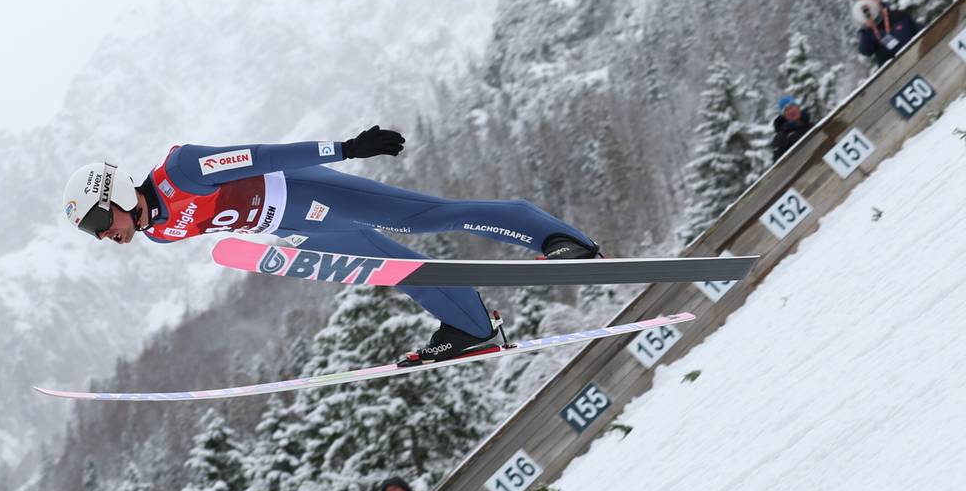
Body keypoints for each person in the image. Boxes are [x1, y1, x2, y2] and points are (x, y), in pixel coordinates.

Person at [61, 126, 600, 363]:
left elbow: (261, 156)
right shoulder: (156, 229)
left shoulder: (182, 169)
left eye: (100, 221)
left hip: (304, 190)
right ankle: (474, 328)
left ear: (118, 193)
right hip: (293, 226)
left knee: (423, 218)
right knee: (394, 266)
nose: (105, 235)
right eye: (93, 232)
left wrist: (344, 148)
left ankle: (556, 237)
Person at [852, 0, 922, 68]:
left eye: (868, 0)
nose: (867, 5)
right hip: (893, 71)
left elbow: (920, 32)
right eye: (863, 5)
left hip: (916, 59)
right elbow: (866, 51)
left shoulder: (899, 15)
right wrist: (867, 29)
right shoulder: (867, 31)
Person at [771, 95, 813, 161]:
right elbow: (779, 165)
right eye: (786, 110)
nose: (791, 111)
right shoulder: (782, 137)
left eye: (792, 107)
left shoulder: (812, 126)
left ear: (798, 108)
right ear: (784, 116)